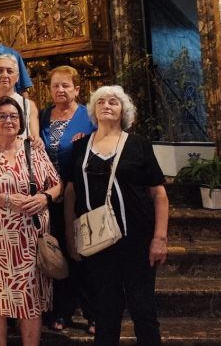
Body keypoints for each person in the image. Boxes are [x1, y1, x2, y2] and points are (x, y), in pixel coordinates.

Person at [64, 86, 168, 346]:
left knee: (143, 308)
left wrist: (160, 238)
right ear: (93, 110)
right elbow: (70, 193)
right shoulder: (80, 146)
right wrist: (70, 236)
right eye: (100, 102)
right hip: (97, 241)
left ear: (124, 111)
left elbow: (159, 194)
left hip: (137, 238)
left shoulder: (139, 145)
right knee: (105, 310)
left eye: (113, 102)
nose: (106, 106)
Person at [0, 96, 62, 346]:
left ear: (21, 121)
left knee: (31, 301)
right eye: (2, 116)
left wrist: (44, 198)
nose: (8, 120)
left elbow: (56, 184)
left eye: (14, 116)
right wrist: (3, 199)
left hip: (30, 241)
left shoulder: (34, 150)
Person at [39, 65, 96, 331]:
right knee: (58, 255)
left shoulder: (89, 117)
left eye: (66, 85)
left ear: (77, 89)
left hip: (80, 197)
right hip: (51, 198)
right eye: (55, 86)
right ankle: (61, 311)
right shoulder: (42, 116)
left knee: (82, 255)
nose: (60, 90)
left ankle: (92, 313)